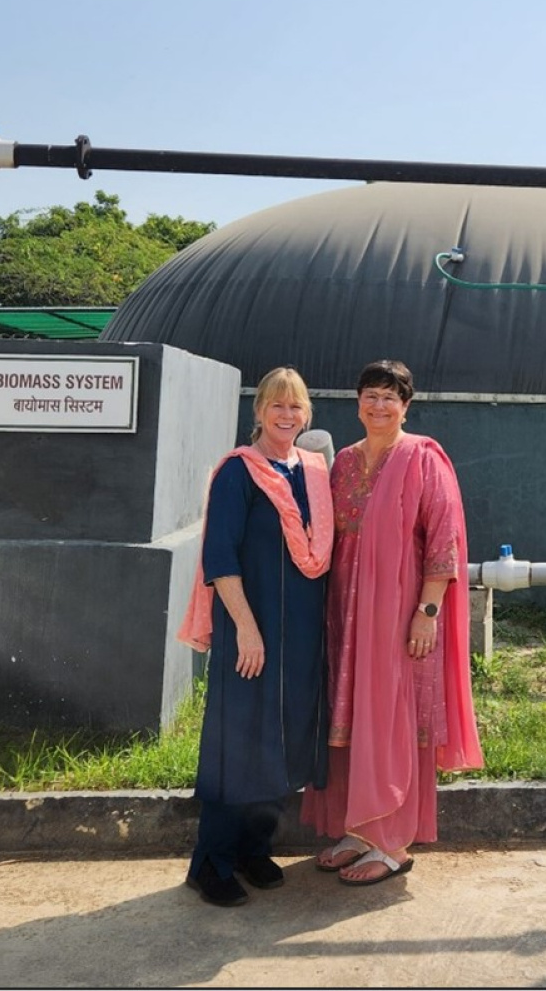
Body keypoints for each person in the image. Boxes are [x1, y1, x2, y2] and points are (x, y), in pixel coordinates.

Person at [302, 359, 483, 886]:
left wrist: (427, 613)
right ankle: (359, 830)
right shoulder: (342, 464)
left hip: (399, 611)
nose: (378, 405)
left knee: (392, 714)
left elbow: (444, 543)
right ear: (357, 402)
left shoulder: (422, 458)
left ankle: (393, 844)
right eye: (370, 395)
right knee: (352, 714)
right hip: (345, 611)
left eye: (390, 397)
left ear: (406, 405)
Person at [177, 366, 334, 907]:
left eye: (296, 407)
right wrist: (245, 628)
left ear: (307, 414)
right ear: (259, 412)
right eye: (277, 406)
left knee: (283, 742)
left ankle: (253, 848)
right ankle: (211, 862)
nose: (287, 416)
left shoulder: (314, 472)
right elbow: (220, 559)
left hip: (302, 638)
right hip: (252, 631)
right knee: (237, 744)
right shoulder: (238, 474)